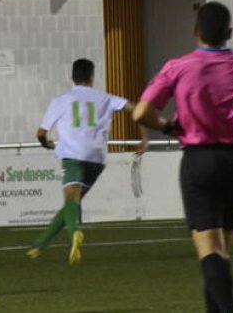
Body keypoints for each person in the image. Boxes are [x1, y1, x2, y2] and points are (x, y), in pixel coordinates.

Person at [132, 1, 233, 313]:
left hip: (200, 160)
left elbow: (142, 112)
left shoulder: (179, 66)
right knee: (222, 251)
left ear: (195, 31)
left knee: (208, 250)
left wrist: (168, 126)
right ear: (229, 33)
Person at [26, 58, 148, 264]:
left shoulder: (61, 100)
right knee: (72, 203)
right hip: (96, 158)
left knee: (71, 199)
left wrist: (45, 143)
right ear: (91, 77)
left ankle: (75, 232)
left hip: (73, 155)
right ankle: (40, 245)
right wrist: (144, 136)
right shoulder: (105, 98)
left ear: (72, 76)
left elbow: (41, 132)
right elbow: (135, 108)